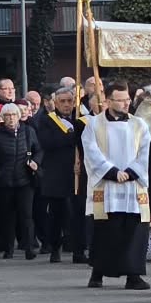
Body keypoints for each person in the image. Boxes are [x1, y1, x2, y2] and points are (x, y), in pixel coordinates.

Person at [82, 79, 151, 290]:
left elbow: (146, 152)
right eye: (120, 100)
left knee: (133, 231)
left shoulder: (139, 124)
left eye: (127, 99)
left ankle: (133, 275)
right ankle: (98, 273)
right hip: (107, 185)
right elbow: (91, 152)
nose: (126, 103)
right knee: (105, 231)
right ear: (108, 101)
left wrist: (131, 172)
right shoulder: (94, 124)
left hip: (133, 185)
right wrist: (112, 172)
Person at [35, 87, 89, 264]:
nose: (66, 104)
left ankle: (78, 251)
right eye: (62, 101)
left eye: (69, 101)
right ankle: (55, 247)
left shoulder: (80, 119)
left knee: (78, 214)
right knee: (57, 215)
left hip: (78, 173)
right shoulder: (47, 121)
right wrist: (73, 136)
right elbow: (48, 142)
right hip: (56, 174)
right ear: (55, 103)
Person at [0, 103, 41, 258]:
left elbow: (38, 150)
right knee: (7, 217)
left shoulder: (28, 131)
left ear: (19, 116)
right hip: (5, 183)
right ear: (3, 118)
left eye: (14, 115)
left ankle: (29, 248)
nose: (11, 118)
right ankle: (8, 249)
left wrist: (35, 162)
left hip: (25, 181)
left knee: (26, 215)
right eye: (7, 115)